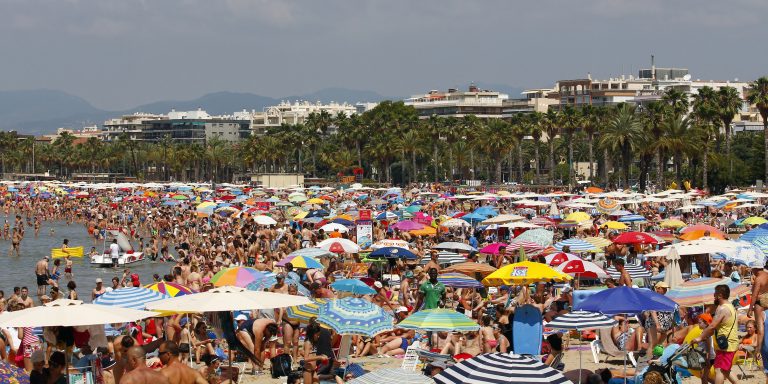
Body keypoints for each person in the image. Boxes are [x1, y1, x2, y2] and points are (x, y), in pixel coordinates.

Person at [694, 284, 739, 384]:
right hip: (730, 343)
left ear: (720, 295)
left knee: (719, 370)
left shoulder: (723, 309)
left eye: (715, 294)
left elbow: (712, 326)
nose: (713, 296)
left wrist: (700, 337)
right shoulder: (731, 306)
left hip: (726, 345)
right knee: (726, 371)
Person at [747, 266, 768, 354]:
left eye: (752, 269)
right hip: (767, 300)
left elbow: (754, 295)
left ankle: (758, 349)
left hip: (760, 303)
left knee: (760, 327)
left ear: (755, 269)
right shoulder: (767, 275)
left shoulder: (758, 279)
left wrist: (750, 309)